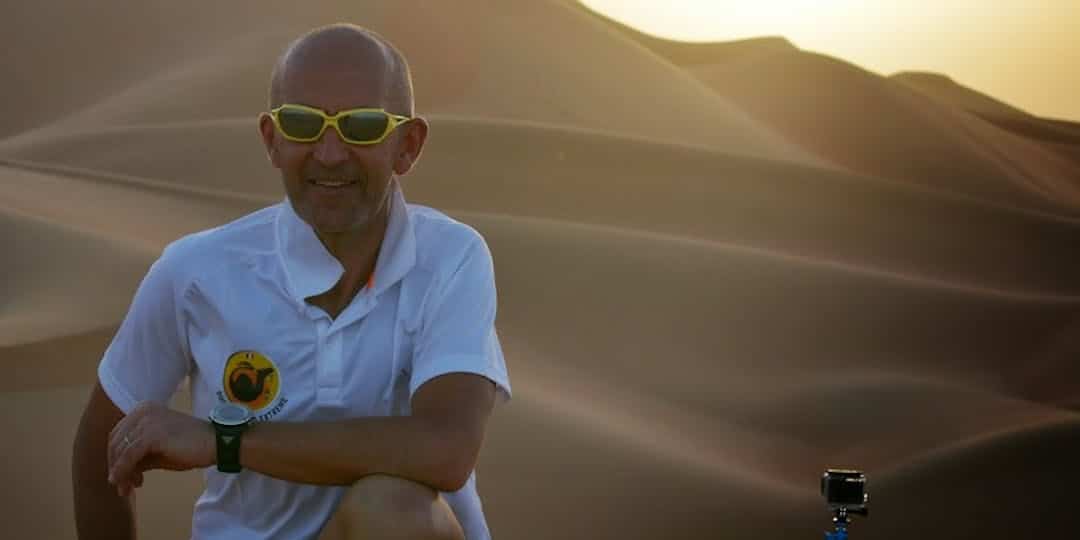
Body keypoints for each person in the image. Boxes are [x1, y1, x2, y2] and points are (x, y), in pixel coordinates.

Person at [71, 23, 511, 540]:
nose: (330, 153)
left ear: (408, 145)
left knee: (393, 510)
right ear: (271, 140)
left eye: (362, 127)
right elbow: (100, 451)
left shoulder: (451, 258)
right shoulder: (196, 273)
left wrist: (223, 441)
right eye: (302, 124)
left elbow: (445, 449)